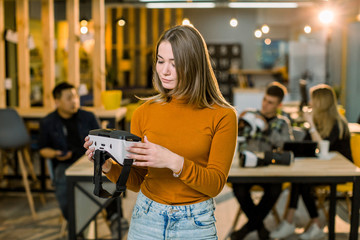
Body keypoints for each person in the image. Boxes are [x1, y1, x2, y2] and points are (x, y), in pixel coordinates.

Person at [84, 25, 237, 240]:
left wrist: (173, 161)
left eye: (174, 64)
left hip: (195, 223)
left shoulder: (223, 116)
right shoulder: (143, 113)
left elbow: (214, 185)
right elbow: (137, 181)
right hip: (147, 218)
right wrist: (108, 166)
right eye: (160, 60)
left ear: (194, 65)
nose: (164, 71)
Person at [270, 84, 352, 240]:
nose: (310, 102)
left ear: (321, 102)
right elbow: (307, 146)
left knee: (302, 182)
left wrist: (311, 125)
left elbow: (323, 148)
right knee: (299, 179)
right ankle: (301, 223)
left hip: (341, 171)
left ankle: (301, 223)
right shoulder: (319, 120)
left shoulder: (337, 123)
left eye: (313, 99)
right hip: (323, 169)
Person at [231, 81, 294, 240]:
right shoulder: (250, 115)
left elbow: (287, 147)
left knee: (275, 189)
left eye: (270, 103)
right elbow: (234, 139)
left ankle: (246, 229)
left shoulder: (282, 122)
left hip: (269, 169)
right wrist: (238, 124)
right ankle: (260, 227)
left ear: (279, 105)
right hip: (246, 167)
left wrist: (267, 129)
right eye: (265, 100)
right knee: (239, 188)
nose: (265, 105)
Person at [38, 82, 104, 220]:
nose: (74, 101)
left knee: (110, 177)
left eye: (75, 97)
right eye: (69, 98)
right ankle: (76, 224)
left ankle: (115, 218)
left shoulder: (88, 116)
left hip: (90, 160)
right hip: (65, 163)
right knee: (62, 184)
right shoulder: (48, 122)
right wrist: (56, 154)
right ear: (57, 102)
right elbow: (43, 149)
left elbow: (102, 141)